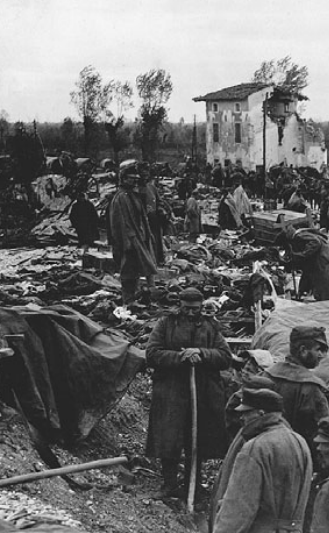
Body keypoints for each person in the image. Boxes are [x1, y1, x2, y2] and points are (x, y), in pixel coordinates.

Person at [209, 383, 313, 533]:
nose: (242, 418)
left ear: (260, 413)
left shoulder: (255, 448)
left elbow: (237, 513)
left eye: (246, 413)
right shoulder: (299, 442)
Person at [145, 287, 233, 499]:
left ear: (202, 307)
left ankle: (193, 485)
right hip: (171, 389)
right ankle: (169, 484)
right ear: (179, 306)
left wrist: (202, 353)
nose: (191, 313)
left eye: (195, 309)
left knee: (198, 438)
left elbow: (224, 356)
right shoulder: (166, 324)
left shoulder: (211, 326)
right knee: (170, 436)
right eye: (187, 308)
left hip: (202, 391)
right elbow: (152, 353)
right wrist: (180, 357)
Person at [263, 326, 329, 454]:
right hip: (298, 455)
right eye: (318, 349)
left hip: (266, 452)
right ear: (303, 350)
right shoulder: (311, 387)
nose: (322, 355)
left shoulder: (267, 375)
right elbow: (320, 431)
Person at [107, 166, 158, 304]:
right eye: (131, 179)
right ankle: (128, 300)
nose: (135, 182)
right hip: (129, 241)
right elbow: (118, 224)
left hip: (139, 239)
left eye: (136, 179)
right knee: (128, 271)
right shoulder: (120, 198)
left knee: (137, 270)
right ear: (123, 179)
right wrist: (127, 242)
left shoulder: (132, 195)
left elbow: (141, 218)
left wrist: (147, 235)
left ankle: (135, 297)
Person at [286, 226, 329, 301]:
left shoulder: (299, 236)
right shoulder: (304, 234)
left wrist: (303, 254)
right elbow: (307, 272)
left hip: (326, 258)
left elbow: (316, 242)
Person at [69, 185, 100, 250]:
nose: (81, 199)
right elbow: (72, 216)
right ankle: (83, 246)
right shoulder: (76, 206)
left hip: (88, 224)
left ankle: (89, 245)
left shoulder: (88, 204)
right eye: (80, 197)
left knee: (89, 236)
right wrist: (75, 224)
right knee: (82, 237)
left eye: (82, 197)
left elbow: (94, 214)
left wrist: (95, 222)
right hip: (80, 224)